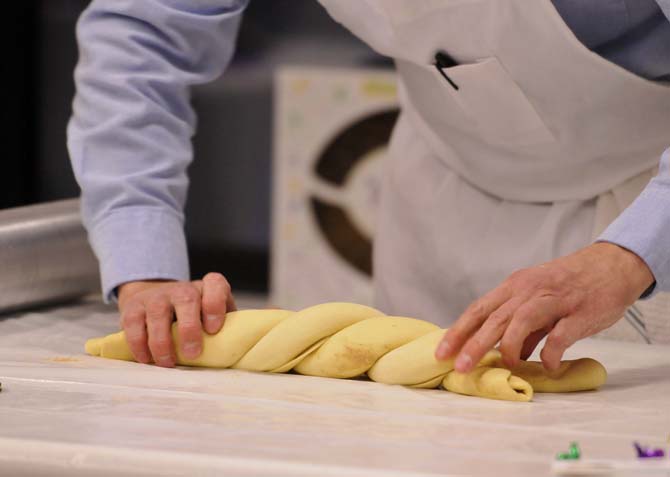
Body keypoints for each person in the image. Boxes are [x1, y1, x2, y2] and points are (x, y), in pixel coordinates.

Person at [68, 0, 670, 373]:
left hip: (646, 200)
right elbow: (140, 40)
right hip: (445, 188)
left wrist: (629, 256)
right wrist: (142, 265)